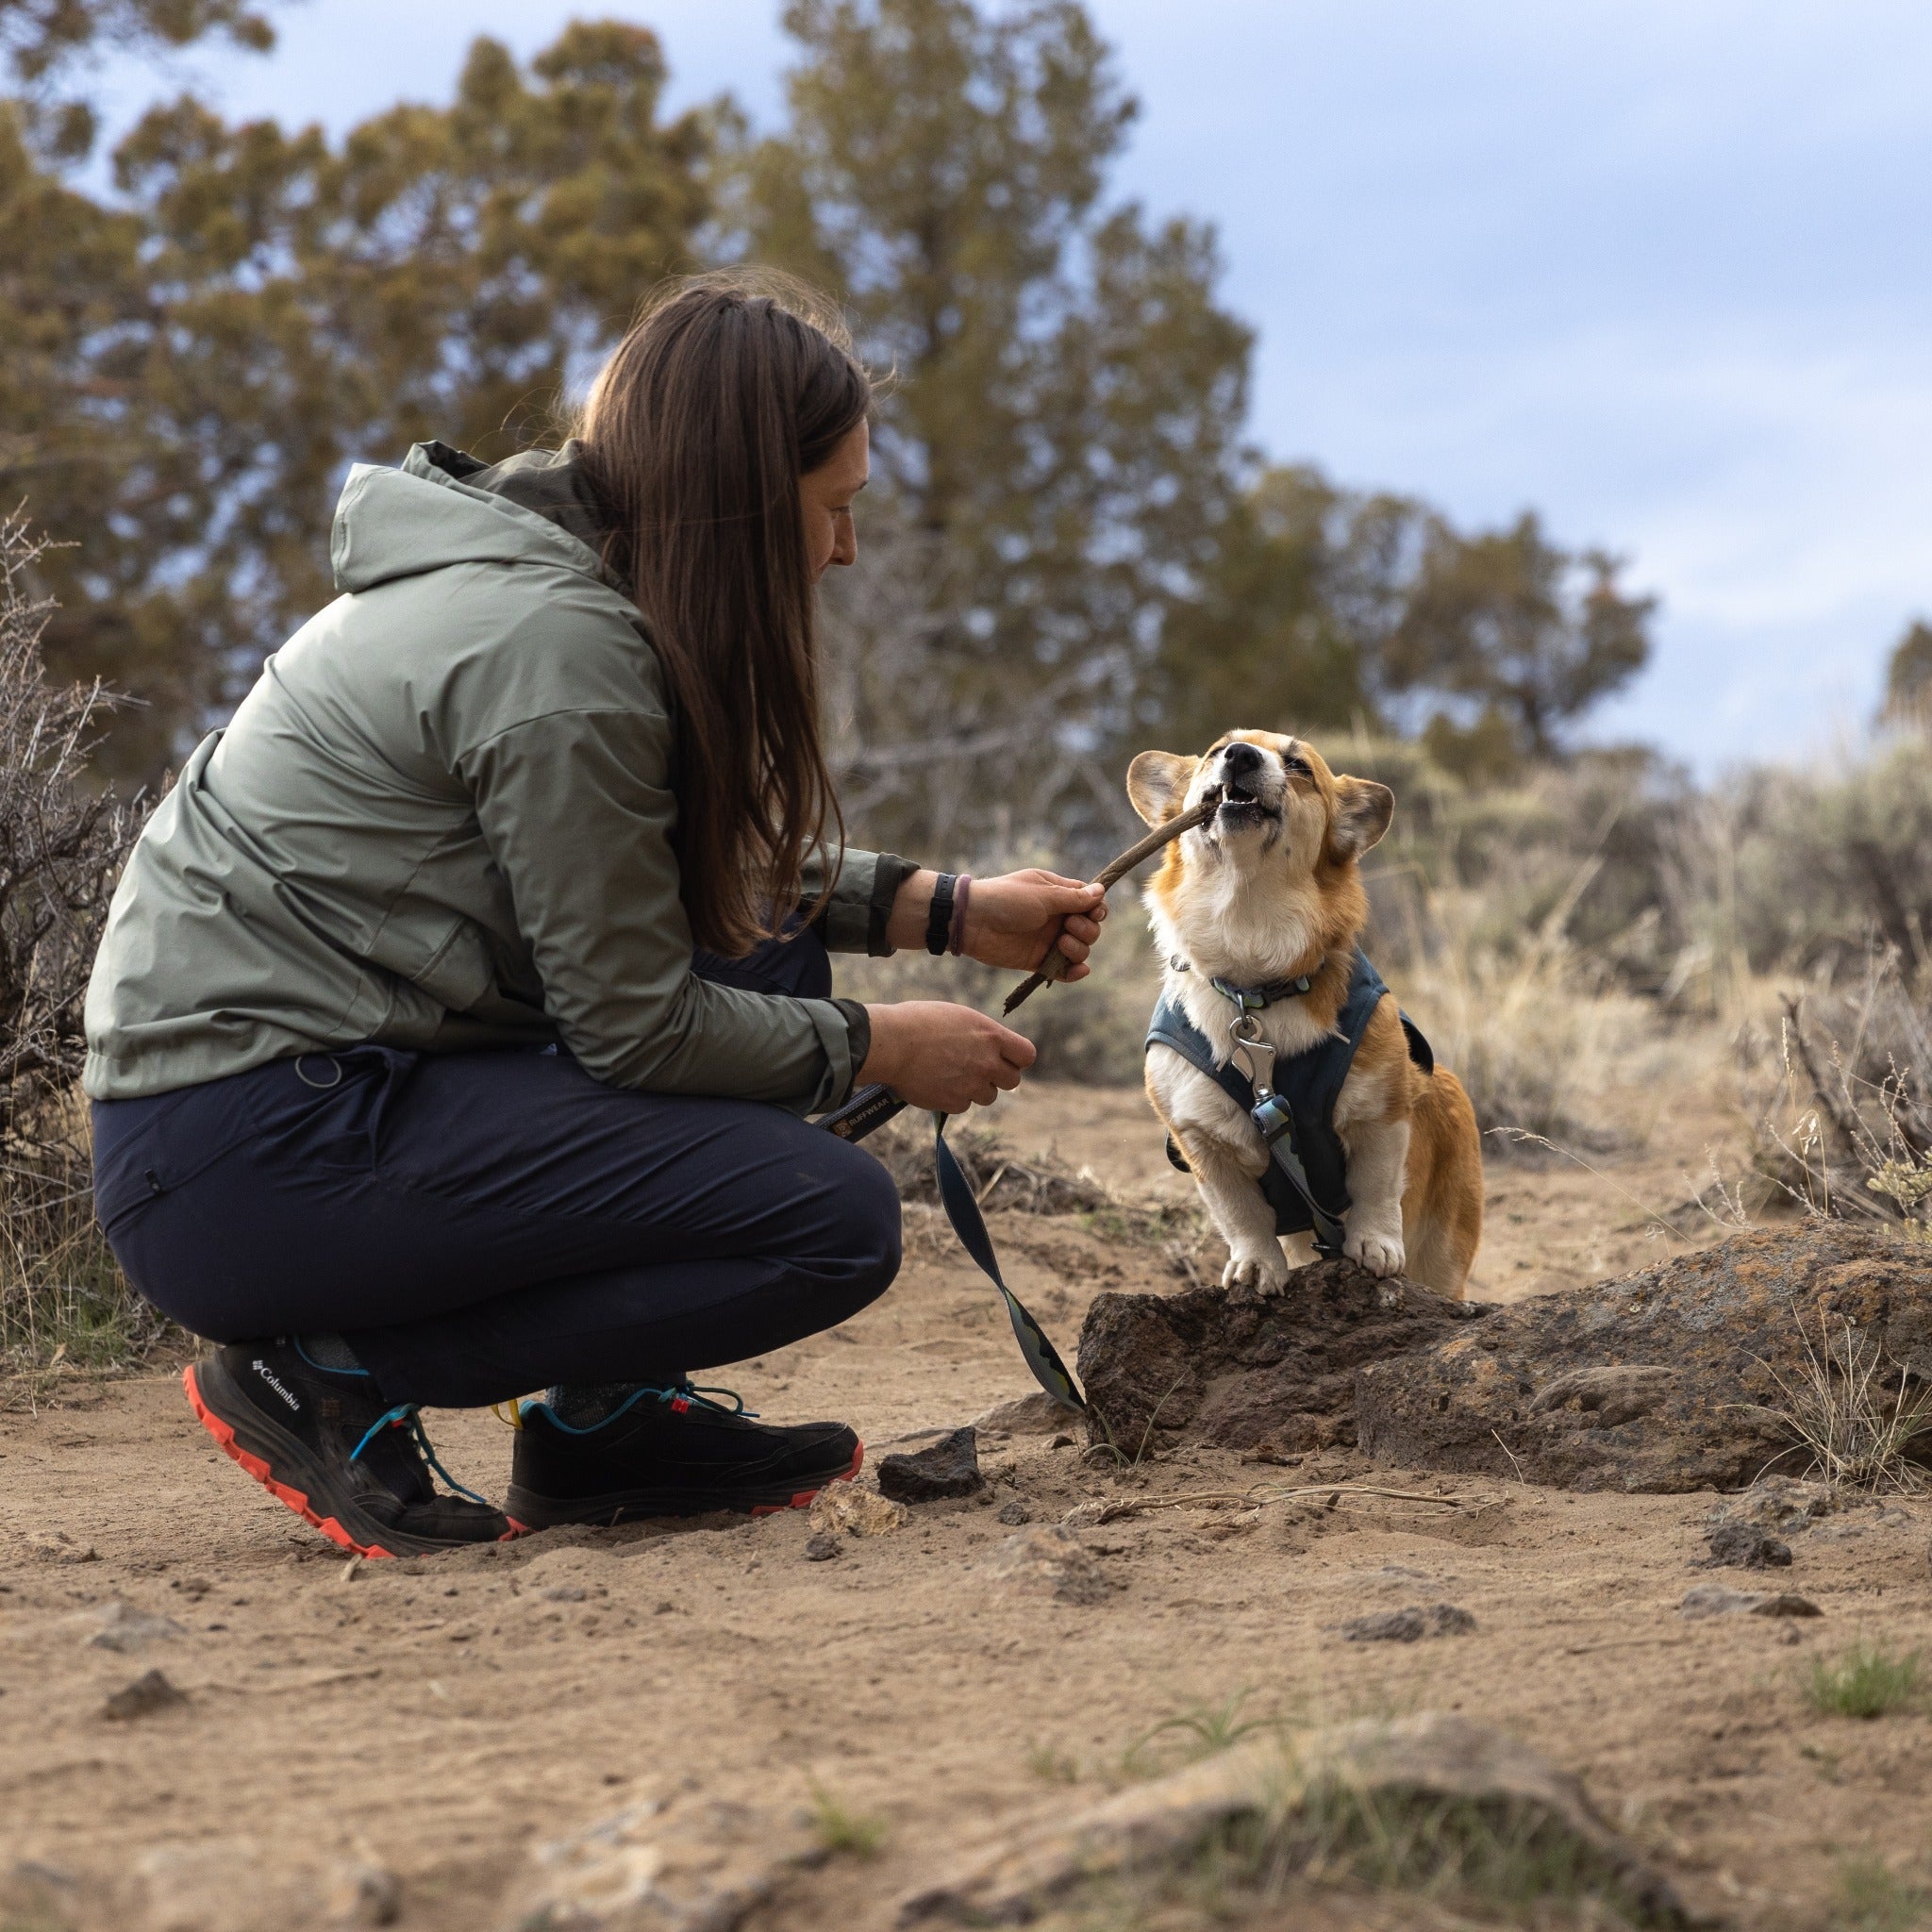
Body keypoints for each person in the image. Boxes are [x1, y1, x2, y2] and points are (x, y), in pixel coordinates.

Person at [82, 272, 1108, 1559]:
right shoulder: (561, 655)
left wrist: (944, 910)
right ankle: (333, 1375)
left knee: (769, 951)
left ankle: (606, 1427)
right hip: (252, 1149)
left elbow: (633, 871)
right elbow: (635, 1029)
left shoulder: (568, 581)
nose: (845, 549)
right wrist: (881, 1044)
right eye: (834, 510)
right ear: (741, 500)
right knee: (831, 1222)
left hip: (290, 1107)